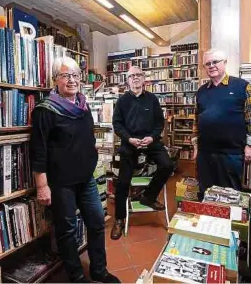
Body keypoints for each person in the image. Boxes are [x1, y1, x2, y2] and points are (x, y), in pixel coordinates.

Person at [29, 56, 120, 283]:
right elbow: (38, 150)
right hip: (61, 182)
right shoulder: (45, 110)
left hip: (86, 178)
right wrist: (42, 185)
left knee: (97, 222)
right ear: (55, 79)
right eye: (65, 75)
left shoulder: (83, 104)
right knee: (67, 230)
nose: (72, 80)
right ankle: (77, 276)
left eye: (75, 75)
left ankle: (99, 270)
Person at [111, 66, 174, 240]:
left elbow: (159, 124)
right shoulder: (122, 101)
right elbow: (117, 124)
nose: (136, 78)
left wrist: (152, 138)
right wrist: (129, 138)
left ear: (144, 79)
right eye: (132, 76)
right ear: (128, 80)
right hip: (130, 143)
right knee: (122, 181)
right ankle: (119, 219)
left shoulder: (152, 99)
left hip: (150, 141)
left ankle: (148, 196)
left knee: (168, 165)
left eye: (139, 75)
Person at [193, 48, 251, 197]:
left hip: (231, 153)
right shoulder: (201, 91)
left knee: (230, 195)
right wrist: (196, 145)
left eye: (215, 62)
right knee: (206, 193)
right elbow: (196, 120)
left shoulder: (241, 86)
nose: (211, 66)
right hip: (205, 153)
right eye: (207, 63)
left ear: (225, 63)